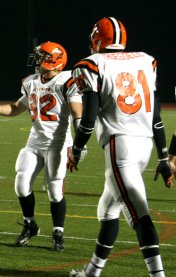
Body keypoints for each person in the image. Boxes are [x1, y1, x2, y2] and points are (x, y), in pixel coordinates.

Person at [68, 17, 173, 277]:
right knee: (107, 209)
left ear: (96, 39)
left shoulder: (91, 65)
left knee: (139, 212)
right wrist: (162, 157)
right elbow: (155, 116)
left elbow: (89, 120)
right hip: (145, 145)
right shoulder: (146, 60)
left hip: (120, 145)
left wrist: (76, 149)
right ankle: (92, 271)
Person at [0, 41, 85, 251]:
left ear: (53, 60)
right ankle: (30, 225)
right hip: (34, 141)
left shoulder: (67, 81)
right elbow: (15, 108)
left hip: (58, 143)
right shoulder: (31, 82)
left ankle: (58, 233)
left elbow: (77, 113)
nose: (36, 60)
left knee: (55, 191)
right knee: (21, 183)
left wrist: (78, 146)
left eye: (41, 56)